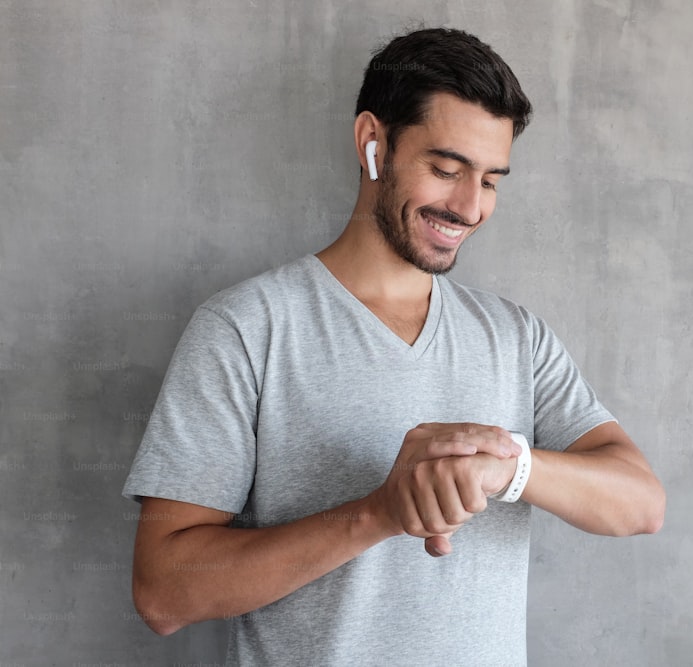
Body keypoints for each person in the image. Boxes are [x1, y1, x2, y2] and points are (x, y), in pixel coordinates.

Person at [123, 27, 665, 666]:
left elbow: (640, 503)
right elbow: (163, 594)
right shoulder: (245, 329)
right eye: (445, 169)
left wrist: (509, 465)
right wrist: (378, 513)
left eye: (490, 180)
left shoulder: (516, 336)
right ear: (372, 142)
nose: (469, 206)